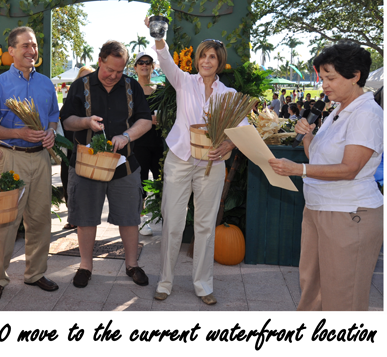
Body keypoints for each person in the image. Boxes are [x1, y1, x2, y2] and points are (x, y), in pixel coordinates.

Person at [269, 41, 383, 311]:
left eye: (331, 77)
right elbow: (318, 157)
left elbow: (350, 168)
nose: (324, 85)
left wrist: (299, 170)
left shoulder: (366, 114)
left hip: (348, 214)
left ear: (355, 75)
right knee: (313, 289)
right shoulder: (337, 112)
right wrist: (308, 135)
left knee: (343, 297)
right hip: (319, 208)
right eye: (323, 78)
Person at [146, 19, 247, 305]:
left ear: (219, 62)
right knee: (173, 223)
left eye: (212, 57)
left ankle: (203, 285)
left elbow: (244, 129)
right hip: (179, 160)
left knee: (205, 225)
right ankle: (165, 282)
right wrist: (158, 37)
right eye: (202, 55)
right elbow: (164, 61)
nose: (206, 60)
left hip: (212, 165)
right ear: (197, 60)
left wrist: (227, 144)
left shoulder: (228, 95)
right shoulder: (183, 82)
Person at [61, 40, 152, 288]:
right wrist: (86, 122)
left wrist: (127, 136)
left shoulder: (133, 86)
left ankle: (132, 264)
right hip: (87, 165)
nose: (113, 76)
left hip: (125, 166)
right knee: (86, 217)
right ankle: (85, 266)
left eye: (119, 71)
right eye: (109, 70)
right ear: (100, 61)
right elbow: (67, 121)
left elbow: (145, 120)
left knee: (129, 217)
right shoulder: (80, 86)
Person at [0, 26, 60, 302]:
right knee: (6, 221)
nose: (32, 51)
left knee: (40, 219)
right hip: (10, 157)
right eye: (25, 46)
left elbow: (52, 116)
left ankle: (35, 273)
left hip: (40, 158)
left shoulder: (46, 83)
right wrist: (18, 133)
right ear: (11, 51)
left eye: (35, 45)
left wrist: (50, 132)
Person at [132, 48, 165, 236]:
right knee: (140, 184)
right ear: (135, 67)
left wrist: (162, 119)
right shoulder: (130, 90)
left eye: (148, 62)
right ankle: (142, 219)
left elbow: (171, 115)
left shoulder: (161, 91)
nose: (144, 65)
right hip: (139, 144)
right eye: (141, 63)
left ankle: (163, 217)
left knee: (162, 182)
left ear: (153, 67)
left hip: (159, 143)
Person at [61, 65, 95, 230]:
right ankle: (72, 216)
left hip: (90, 150)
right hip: (70, 148)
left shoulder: (97, 99)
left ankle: (84, 218)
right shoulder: (71, 99)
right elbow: (63, 119)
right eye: (83, 77)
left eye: (89, 77)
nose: (85, 81)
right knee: (69, 182)